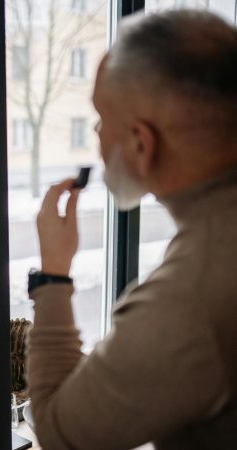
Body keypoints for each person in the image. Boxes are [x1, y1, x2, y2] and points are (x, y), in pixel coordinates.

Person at [29, 9, 237, 450]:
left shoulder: (190, 296)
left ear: (142, 144)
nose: (98, 137)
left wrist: (53, 275)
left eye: (102, 120)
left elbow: (60, 432)